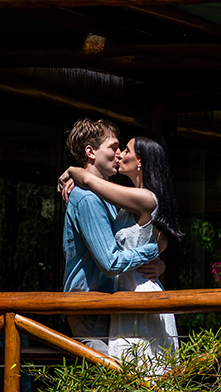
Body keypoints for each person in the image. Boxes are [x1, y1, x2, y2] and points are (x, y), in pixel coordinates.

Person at [60, 133, 183, 370]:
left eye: (125, 150)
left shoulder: (145, 198)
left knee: (144, 368)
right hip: (124, 291)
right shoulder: (128, 200)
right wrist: (157, 256)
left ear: (140, 161)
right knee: (129, 365)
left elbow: (94, 182)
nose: (120, 155)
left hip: (138, 292)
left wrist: (74, 172)